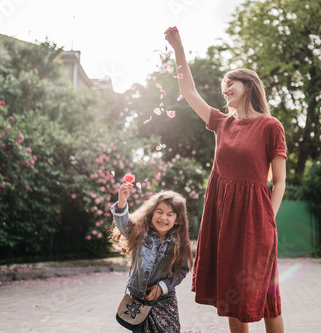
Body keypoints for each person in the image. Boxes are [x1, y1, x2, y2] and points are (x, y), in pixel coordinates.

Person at [164, 27, 287, 333]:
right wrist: (178, 46)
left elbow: (280, 181)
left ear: (249, 85)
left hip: (256, 220)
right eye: (223, 86)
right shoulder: (221, 123)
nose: (225, 89)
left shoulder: (271, 126)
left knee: (266, 296)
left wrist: (267, 220)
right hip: (223, 220)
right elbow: (189, 91)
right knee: (232, 294)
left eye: (230, 83)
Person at [110, 183, 193, 333]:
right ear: (151, 213)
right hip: (139, 301)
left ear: (178, 219)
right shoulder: (140, 233)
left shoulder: (180, 245)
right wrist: (122, 202)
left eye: (170, 214)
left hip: (165, 302)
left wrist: (162, 287)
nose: (163, 218)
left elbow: (181, 271)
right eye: (159, 212)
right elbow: (123, 224)